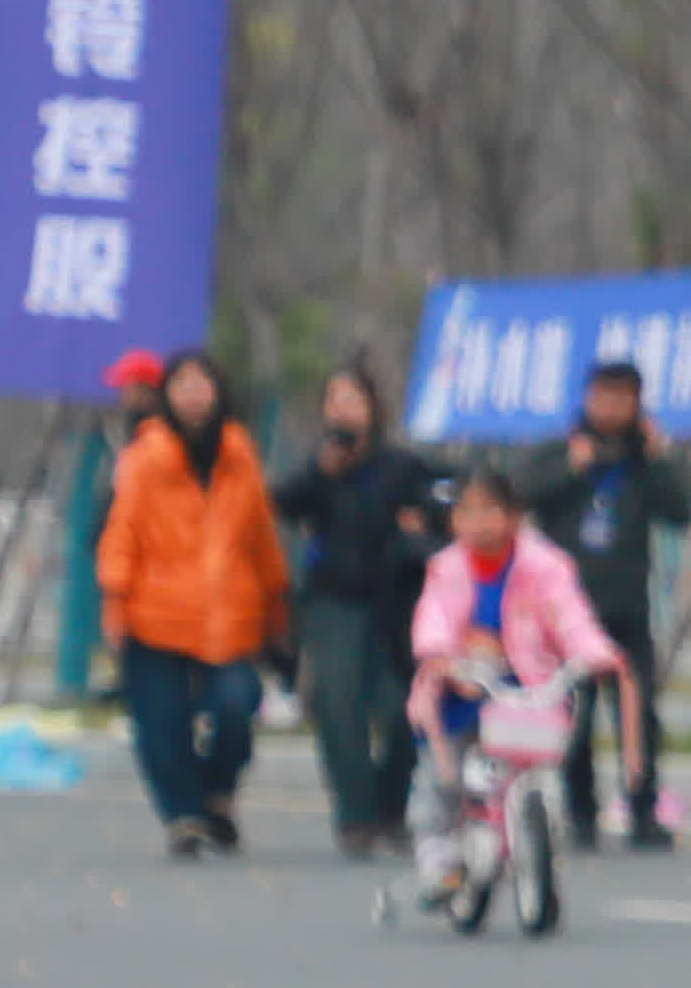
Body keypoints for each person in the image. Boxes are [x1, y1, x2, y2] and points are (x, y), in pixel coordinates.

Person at [95, 347, 289, 859]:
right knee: (160, 722)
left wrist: (277, 600)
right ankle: (184, 815)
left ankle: (217, 794)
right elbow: (122, 530)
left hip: (230, 615)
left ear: (219, 390)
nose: (194, 395)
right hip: (155, 612)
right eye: (182, 384)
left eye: (203, 383)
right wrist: (115, 599)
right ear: (167, 395)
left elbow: (261, 534)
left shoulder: (239, 453)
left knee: (236, 705)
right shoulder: (146, 456)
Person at [405, 465, 628, 889]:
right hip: (461, 690)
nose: (478, 524)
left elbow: (570, 617)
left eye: (490, 511)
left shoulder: (545, 567)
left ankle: (528, 831)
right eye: (467, 513)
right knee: (442, 776)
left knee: (532, 760)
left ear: (514, 516)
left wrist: (594, 653)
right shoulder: (447, 569)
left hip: (522, 689)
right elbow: (432, 620)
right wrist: (441, 658)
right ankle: (439, 858)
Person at [271, 361, 443, 859]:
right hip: (333, 603)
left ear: (374, 407)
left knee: (401, 710)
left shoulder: (402, 466)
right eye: (335, 399)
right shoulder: (319, 468)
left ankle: (392, 810)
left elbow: (442, 504)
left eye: (354, 398)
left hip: (395, 602)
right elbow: (280, 502)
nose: (344, 408)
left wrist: (421, 524)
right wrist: (317, 473)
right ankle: (356, 816)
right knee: (337, 704)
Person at [530, 357, 691, 852]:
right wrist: (570, 467)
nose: (613, 407)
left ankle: (642, 809)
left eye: (624, 397)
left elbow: (679, 510)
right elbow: (525, 494)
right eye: (604, 395)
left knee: (638, 714)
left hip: (627, 609)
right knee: (572, 717)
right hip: (568, 613)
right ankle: (582, 812)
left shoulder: (644, 461)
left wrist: (659, 456)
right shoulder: (561, 450)